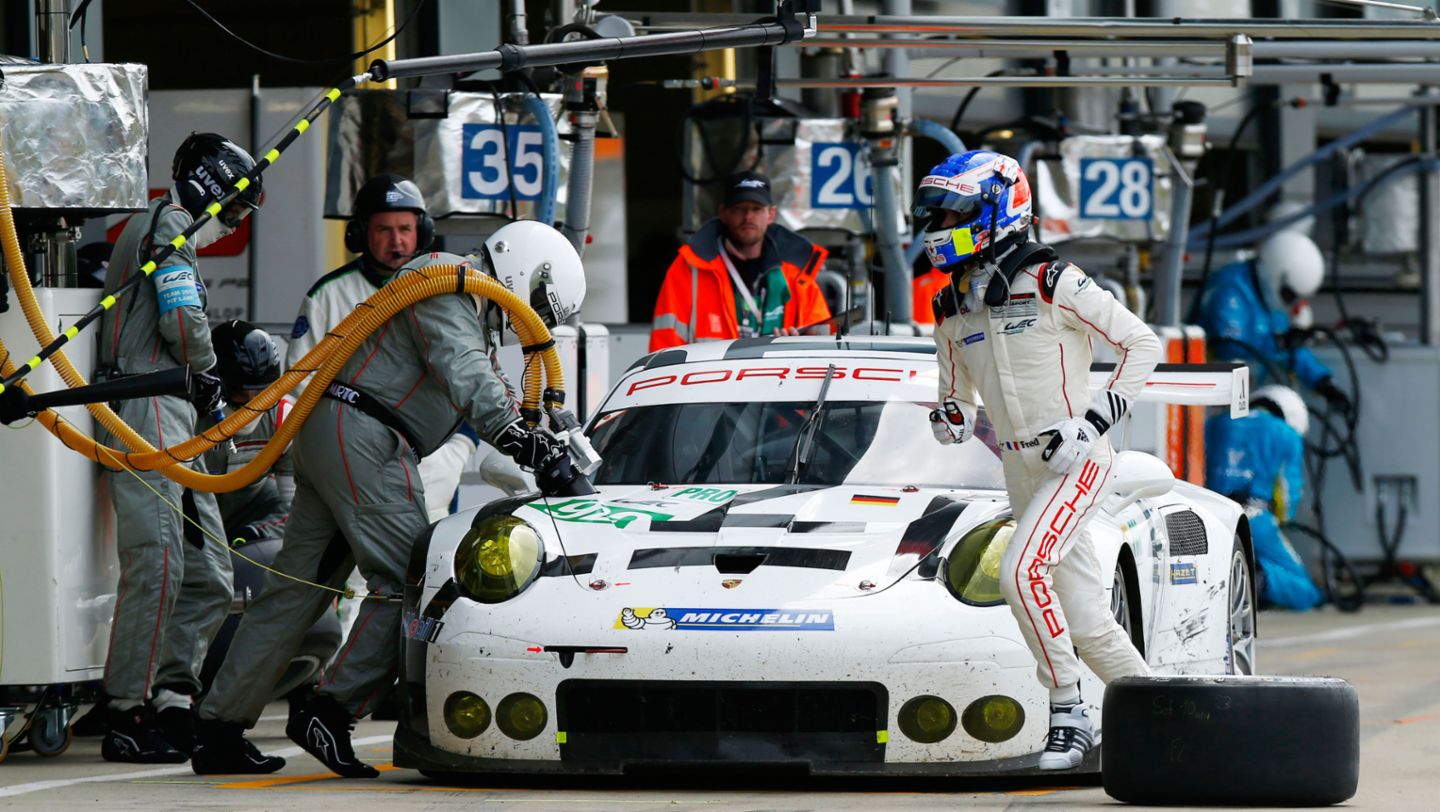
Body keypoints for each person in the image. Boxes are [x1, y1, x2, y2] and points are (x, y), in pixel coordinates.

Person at [191, 221, 590, 778]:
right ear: (526, 271)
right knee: (415, 579)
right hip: (365, 438)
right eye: (538, 308)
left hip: (339, 431)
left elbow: (483, 376)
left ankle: (218, 729)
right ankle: (330, 709)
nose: (532, 325)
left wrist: (540, 428)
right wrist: (519, 436)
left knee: (292, 591)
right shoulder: (447, 285)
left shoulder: (457, 292)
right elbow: (468, 375)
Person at [923, 149, 1160, 770]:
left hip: (1077, 462)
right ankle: (1163, 721)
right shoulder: (949, 307)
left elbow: (1142, 343)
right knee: (1086, 620)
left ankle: (1067, 711)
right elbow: (954, 399)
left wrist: (1094, 421)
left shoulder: (1053, 278)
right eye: (932, 214)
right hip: (1018, 469)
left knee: (1019, 573)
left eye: (951, 213)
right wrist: (949, 417)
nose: (936, 228)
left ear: (998, 209)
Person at [286, 173, 530, 638]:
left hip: (434, 449)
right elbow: (298, 383)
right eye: (383, 229)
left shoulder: (448, 284)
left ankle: (380, 673)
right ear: (361, 234)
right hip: (353, 443)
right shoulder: (328, 294)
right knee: (375, 573)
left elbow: (474, 371)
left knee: (421, 562)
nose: (396, 240)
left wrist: (460, 440)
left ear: (423, 231)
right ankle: (341, 677)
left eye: (405, 228)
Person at [95, 132, 263, 763]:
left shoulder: (162, 224)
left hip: (169, 408)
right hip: (148, 403)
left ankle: (172, 698)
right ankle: (126, 711)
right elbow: (182, 322)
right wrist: (208, 367)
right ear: (216, 192)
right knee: (160, 564)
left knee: (210, 575)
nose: (238, 222)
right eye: (240, 208)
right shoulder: (170, 225)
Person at [649, 170, 831, 351]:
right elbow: (663, 353)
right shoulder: (688, 269)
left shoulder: (798, 275)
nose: (748, 217)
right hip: (709, 380)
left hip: (780, 379)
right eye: (739, 208)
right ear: (723, 213)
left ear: (771, 214)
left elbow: (824, 349)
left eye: (756, 209)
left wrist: (795, 348)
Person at [1197, 230, 1351, 415]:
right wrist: (1280, 343)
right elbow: (1229, 345)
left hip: (1238, 406)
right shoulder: (1230, 290)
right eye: (1289, 295)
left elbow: (1288, 349)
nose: (1290, 303)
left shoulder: (1267, 299)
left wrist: (1323, 383)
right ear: (1275, 275)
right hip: (1204, 402)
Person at [1205, 385, 1323, 610]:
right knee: (1306, 592)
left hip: (1211, 514)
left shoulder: (1214, 424)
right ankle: (1257, 579)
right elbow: (1289, 491)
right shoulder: (1286, 435)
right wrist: (1281, 519)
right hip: (1255, 516)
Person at [201, 321, 294, 545]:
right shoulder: (188, 415)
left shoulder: (284, 418)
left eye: (263, 393)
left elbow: (296, 508)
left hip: (251, 517)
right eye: (244, 393)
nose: (255, 403)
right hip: (194, 521)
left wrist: (257, 532)